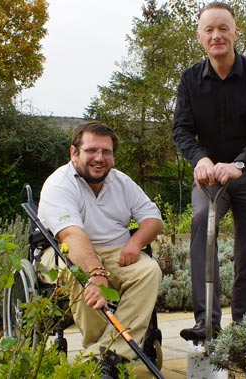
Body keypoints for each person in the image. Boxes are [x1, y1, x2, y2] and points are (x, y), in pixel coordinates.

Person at [172, 1, 246, 341]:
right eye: (209, 30)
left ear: (235, 33)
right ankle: (208, 324)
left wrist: (239, 164)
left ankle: (244, 329)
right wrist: (199, 159)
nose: (216, 35)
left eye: (223, 28)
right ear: (200, 37)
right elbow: (181, 130)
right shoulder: (190, 80)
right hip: (207, 178)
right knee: (202, 233)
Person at [37, 121, 163, 377]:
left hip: (115, 250)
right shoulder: (59, 184)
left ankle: (106, 357)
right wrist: (96, 273)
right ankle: (103, 356)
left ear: (113, 157)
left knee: (148, 270)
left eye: (106, 152)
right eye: (91, 150)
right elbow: (71, 235)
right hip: (63, 250)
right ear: (74, 153)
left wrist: (135, 242)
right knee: (82, 277)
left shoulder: (122, 182)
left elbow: (153, 218)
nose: (99, 158)